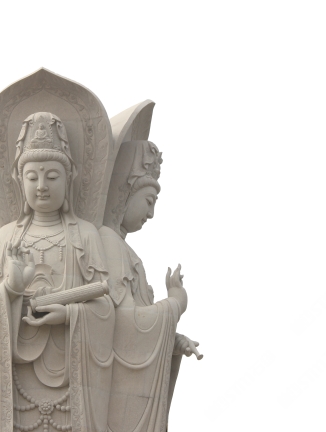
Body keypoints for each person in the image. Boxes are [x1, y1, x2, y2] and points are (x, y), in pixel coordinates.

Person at [0, 112, 115, 432]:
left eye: (52, 176)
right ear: (19, 180)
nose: (41, 187)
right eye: (32, 177)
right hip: (15, 388)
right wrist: (11, 288)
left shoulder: (86, 235)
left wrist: (69, 315)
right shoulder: (6, 237)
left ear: (69, 179)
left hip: (74, 383)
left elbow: (107, 307)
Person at [100, 140, 201, 432]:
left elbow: (136, 328)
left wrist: (171, 340)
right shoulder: (108, 243)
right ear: (126, 193)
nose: (152, 213)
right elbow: (124, 323)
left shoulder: (123, 250)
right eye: (149, 200)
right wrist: (175, 304)